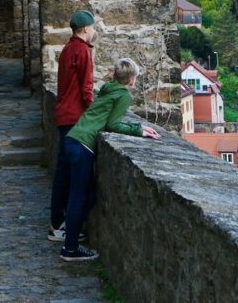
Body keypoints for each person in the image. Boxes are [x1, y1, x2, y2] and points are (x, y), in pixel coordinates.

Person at [59, 56, 161, 263]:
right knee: (79, 197)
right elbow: (113, 125)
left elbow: (105, 118)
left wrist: (137, 127)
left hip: (73, 138)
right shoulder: (123, 95)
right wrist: (139, 131)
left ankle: (72, 233)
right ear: (132, 79)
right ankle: (70, 248)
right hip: (83, 145)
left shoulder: (108, 89)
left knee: (87, 195)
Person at [48, 9, 96, 243]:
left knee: (63, 173)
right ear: (86, 29)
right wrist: (94, 114)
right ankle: (60, 226)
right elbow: (86, 88)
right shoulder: (83, 50)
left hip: (63, 115)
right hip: (74, 118)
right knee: (72, 177)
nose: (94, 31)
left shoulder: (67, 49)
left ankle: (57, 222)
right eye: (93, 27)